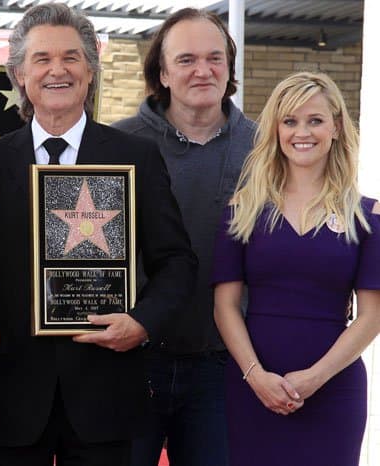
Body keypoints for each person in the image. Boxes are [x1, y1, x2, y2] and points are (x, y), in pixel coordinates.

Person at [0, 4, 196, 465]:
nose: (58, 70)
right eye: (42, 59)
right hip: (10, 395)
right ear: (19, 73)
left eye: (72, 58)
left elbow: (176, 261)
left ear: (91, 69)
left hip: (105, 394)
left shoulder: (136, 156)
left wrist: (141, 322)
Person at [212, 71, 380, 466]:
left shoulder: (368, 216)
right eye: (289, 121)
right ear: (276, 128)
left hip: (334, 392)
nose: (301, 132)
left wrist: (315, 378)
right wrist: (255, 376)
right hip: (254, 389)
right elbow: (225, 306)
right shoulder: (242, 210)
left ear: (337, 127)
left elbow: (372, 316)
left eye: (315, 120)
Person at [112, 8, 256, 465]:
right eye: (187, 59)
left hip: (223, 365)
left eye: (215, 58)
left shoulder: (264, 149)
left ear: (230, 68)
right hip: (131, 360)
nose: (203, 70)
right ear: (162, 72)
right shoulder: (116, 146)